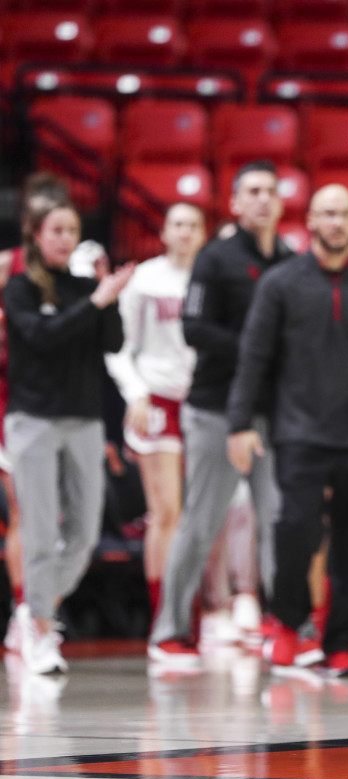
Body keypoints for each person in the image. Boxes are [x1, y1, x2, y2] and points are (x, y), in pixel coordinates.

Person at [227, 184, 348, 678]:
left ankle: (339, 644)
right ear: (309, 220)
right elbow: (253, 359)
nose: (336, 222)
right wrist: (239, 424)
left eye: (345, 213)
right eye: (327, 213)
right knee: (296, 531)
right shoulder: (280, 283)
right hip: (299, 431)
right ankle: (286, 624)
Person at [149, 161, 295, 669]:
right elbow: (193, 329)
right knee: (201, 520)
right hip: (213, 410)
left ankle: (286, 628)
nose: (262, 199)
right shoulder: (214, 259)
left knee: (279, 521)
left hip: (270, 416)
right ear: (234, 203)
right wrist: (256, 351)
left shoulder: (290, 261)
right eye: (252, 191)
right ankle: (168, 631)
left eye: (270, 192)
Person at [4, 196, 133, 674]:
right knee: (39, 530)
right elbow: (42, 338)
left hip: (84, 419)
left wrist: (107, 297)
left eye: (71, 230)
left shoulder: (86, 287)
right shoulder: (18, 288)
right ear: (37, 236)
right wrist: (95, 302)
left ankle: (30, 611)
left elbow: (114, 343)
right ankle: (41, 628)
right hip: (33, 420)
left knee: (82, 535)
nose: (63, 238)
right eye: (55, 229)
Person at [105, 203, 207, 626]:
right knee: (166, 511)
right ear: (163, 232)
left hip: (202, 402)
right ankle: (165, 613)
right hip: (158, 399)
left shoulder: (211, 281)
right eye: (177, 224)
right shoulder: (145, 280)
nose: (185, 232)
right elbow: (118, 348)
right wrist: (136, 393)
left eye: (193, 225)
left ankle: (207, 608)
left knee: (204, 514)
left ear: (203, 234)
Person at [1, 173, 72, 654]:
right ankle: (25, 611)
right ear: (30, 224)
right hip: (14, 398)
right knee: (26, 511)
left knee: (61, 516)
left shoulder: (76, 272)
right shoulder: (7, 268)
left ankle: (41, 608)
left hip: (64, 402)